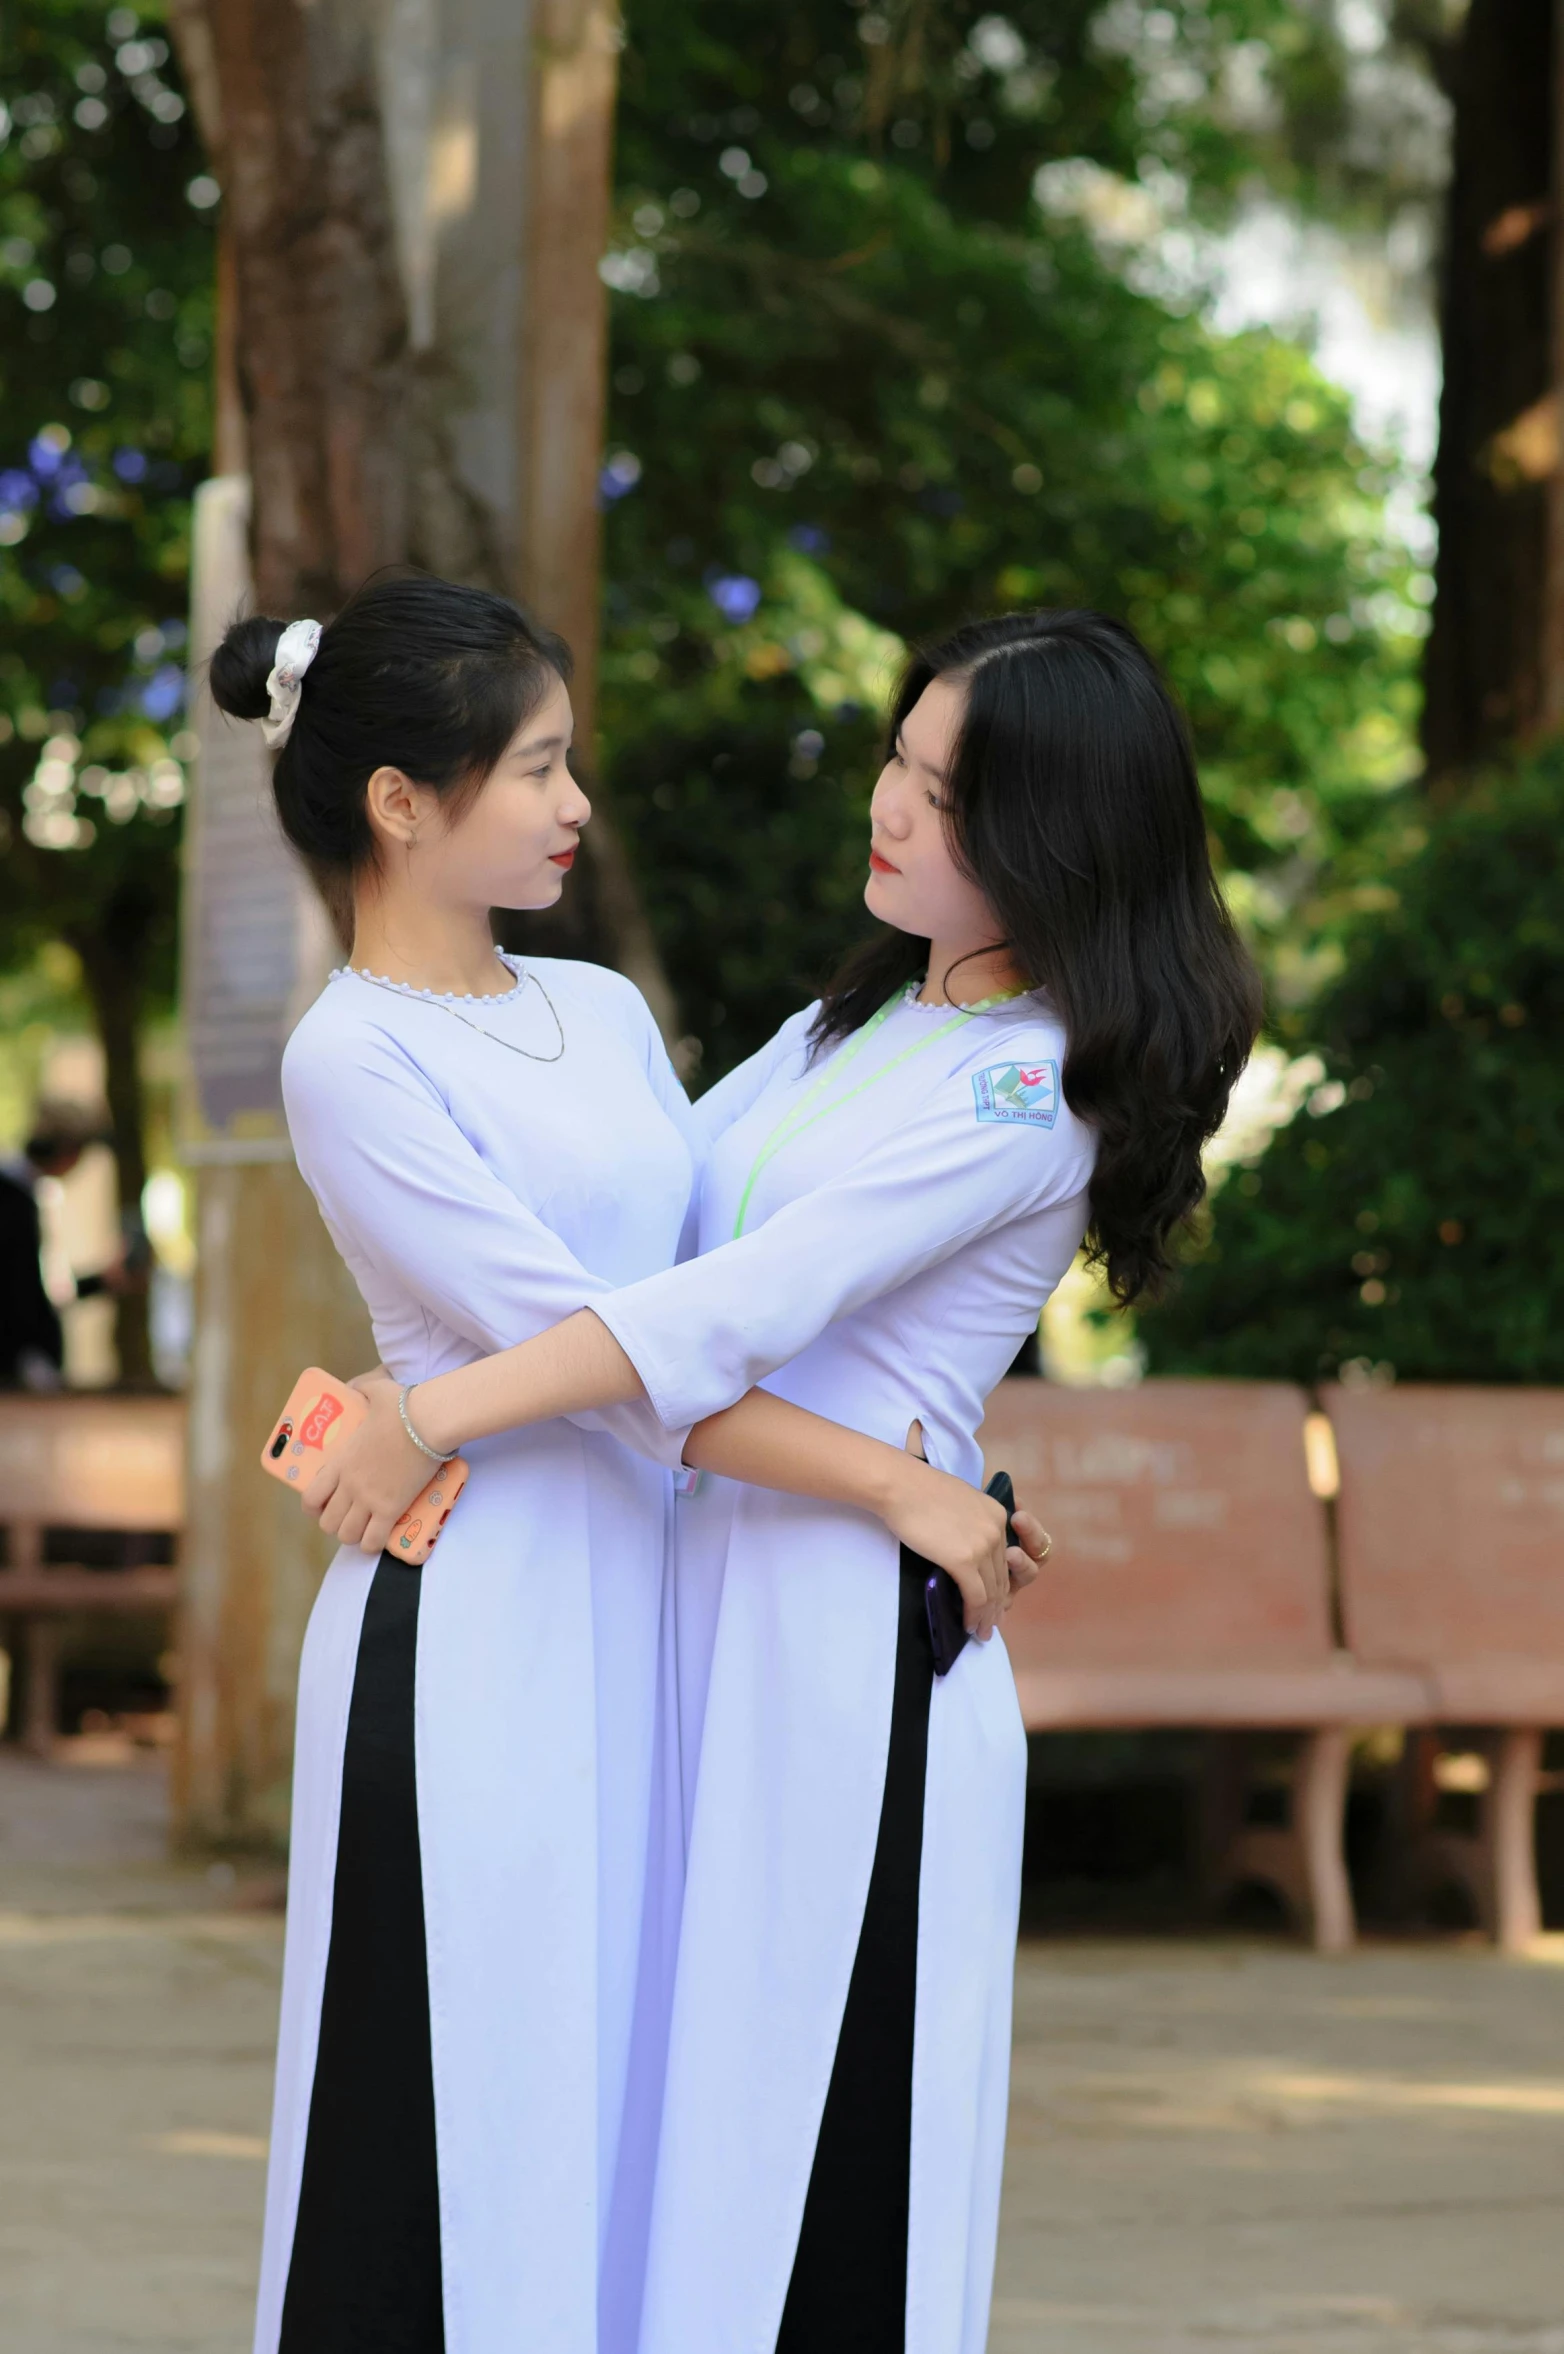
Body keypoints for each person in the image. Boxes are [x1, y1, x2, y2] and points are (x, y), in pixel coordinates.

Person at [302, 608, 1263, 2354]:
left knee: (813, 2159)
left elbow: (721, 1309)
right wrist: (430, 1364)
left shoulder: (1025, 1088)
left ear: (1054, 831)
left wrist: (441, 1411)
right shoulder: (853, 1024)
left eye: (943, 790)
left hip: (838, 1641)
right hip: (704, 1609)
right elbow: (635, 1255)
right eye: (896, 757)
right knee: (681, 2161)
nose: (888, 804)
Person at [210, 575, 1034, 2354]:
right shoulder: (349, 1054)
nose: (575, 802)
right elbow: (614, 1358)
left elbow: (694, 1291)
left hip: (651, 1595)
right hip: (483, 1605)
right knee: (458, 2088)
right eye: (534, 766)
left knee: (615, 2106)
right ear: (399, 801)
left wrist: (433, 1380)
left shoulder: (589, 1005)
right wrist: (895, 1482)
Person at [0, 1102, 121, 1390]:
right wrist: (26, 1356)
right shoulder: (11, 1200)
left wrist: (100, 1281)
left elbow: (47, 1290)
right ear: (68, 1151)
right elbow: (18, 1292)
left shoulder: (33, 1196)